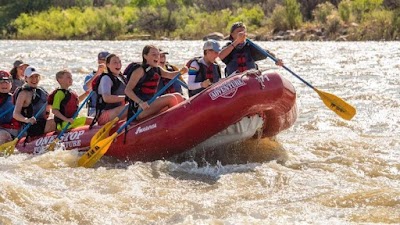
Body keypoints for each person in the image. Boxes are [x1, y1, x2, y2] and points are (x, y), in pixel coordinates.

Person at [124, 45, 187, 120]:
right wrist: (140, 102)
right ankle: (178, 120)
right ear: (145, 56)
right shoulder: (139, 70)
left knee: (178, 96)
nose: (157, 57)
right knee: (171, 98)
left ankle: (183, 119)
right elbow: (127, 90)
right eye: (154, 54)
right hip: (139, 109)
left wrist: (181, 72)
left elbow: (170, 75)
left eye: (158, 55)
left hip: (151, 103)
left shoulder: (157, 69)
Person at [219, 22, 283, 77]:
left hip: (250, 80)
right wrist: (237, 41)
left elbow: (266, 53)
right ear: (232, 35)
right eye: (239, 32)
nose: (242, 33)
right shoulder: (228, 47)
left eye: (243, 31)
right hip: (234, 83)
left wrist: (276, 59)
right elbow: (220, 57)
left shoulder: (250, 46)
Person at [13, 66, 56, 137]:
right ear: (26, 78)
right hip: (29, 126)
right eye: (31, 77)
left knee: (57, 119)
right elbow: (15, 114)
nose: (34, 79)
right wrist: (27, 120)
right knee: (52, 122)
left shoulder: (42, 91)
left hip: (41, 122)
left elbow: (51, 106)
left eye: (36, 77)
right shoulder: (23, 93)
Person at [92, 53, 128, 126]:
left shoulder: (122, 78)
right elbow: (106, 98)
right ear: (107, 65)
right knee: (130, 107)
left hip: (117, 111)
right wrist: (127, 98)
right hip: (104, 116)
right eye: (115, 62)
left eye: (119, 62)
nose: (118, 64)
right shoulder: (106, 78)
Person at [83, 51, 109, 117]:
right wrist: (98, 73)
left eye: (106, 60)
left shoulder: (114, 74)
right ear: (98, 61)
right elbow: (87, 88)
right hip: (95, 109)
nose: (103, 62)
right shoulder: (91, 76)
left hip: (111, 108)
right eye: (102, 60)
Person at [0, 70, 21, 144]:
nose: (4, 84)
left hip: (12, 131)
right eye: (1, 81)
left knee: (2, 135)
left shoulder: (17, 99)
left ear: (11, 84)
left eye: (7, 81)